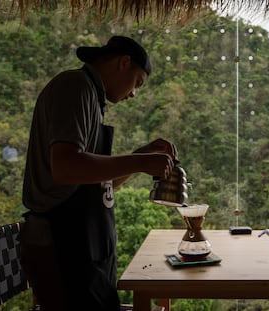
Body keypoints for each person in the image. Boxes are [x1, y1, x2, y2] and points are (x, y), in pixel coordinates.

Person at [19, 36, 177, 311]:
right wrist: (139, 162)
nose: (133, 93)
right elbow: (66, 168)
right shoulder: (74, 86)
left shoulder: (91, 95)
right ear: (123, 62)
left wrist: (139, 157)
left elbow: (93, 185)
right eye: (137, 82)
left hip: (84, 243)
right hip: (61, 243)